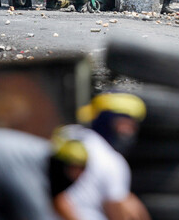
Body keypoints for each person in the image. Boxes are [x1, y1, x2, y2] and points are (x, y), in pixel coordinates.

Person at [57, 92, 151, 220]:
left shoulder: (64, 135)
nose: (128, 133)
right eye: (124, 124)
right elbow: (116, 210)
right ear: (105, 120)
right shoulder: (112, 160)